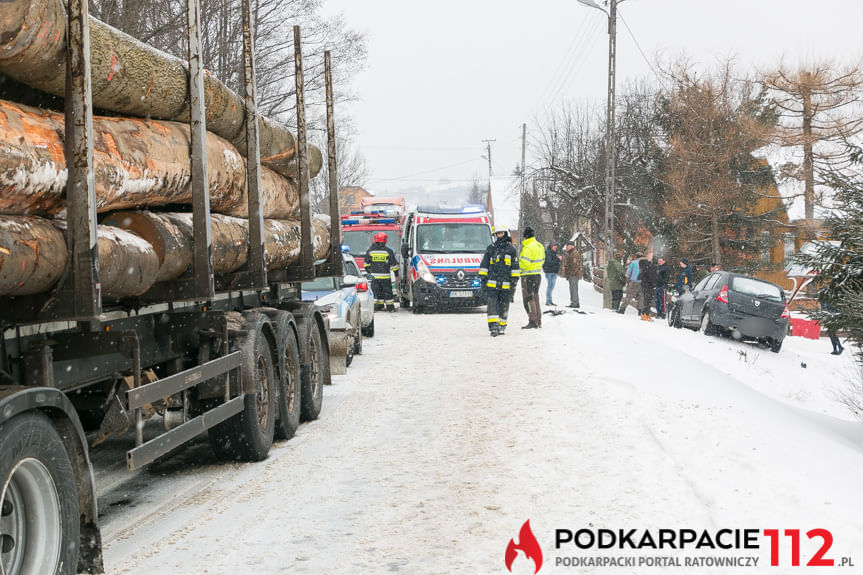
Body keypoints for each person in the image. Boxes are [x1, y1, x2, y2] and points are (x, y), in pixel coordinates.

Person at [478, 224, 520, 336]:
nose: (499, 235)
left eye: (501, 233)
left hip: (506, 286)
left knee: (504, 307)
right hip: (492, 285)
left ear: (505, 234)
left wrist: (514, 282)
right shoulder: (490, 249)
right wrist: (483, 279)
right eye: (498, 233)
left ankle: (502, 326)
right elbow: (484, 265)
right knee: (492, 306)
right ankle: (493, 327)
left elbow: (515, 268)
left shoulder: (511, 250)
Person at [364, 231, 399, 311]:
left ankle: (375, 308)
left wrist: (370, 272)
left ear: (375, 239)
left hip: (374, 278)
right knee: (387, 293)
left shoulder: (370, 251)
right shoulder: (388, 251)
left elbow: (366, 264)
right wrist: (396, 274)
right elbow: (394, 265)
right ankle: (390, 308)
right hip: (385, 278)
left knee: (376, 293)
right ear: (385, 241)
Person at [519, 226, 545, 328]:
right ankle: (538, 320)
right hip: (537, 275)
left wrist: (518, 264)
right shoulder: (539, 246)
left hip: (527, 275)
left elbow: (524, 263)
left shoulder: (527, 247)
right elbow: (542, 260)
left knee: (528, 299)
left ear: (525, 236)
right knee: (535, 298)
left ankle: (532, 321)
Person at [562, 240, 582, 308]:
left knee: (573, 289)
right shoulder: (571, 253)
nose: (566, 247)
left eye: (567, 246)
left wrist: (571, 273)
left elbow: (574, 265)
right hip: (572, 274)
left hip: (574, 274)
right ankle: (574, 302)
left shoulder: (574, 253)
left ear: (571, 246)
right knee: (573, 288)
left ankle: (575, 303)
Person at [638, 251, 657, 321]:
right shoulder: (648, 265)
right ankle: (644, 314)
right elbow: (651, 276)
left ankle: (647, 314)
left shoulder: (645, 264)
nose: (651, 256)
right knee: (647, 300)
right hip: (648, 285)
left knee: (648, 300)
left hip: (645, 284)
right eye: (650, 255)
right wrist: (654, 284)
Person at [542, 241, 561, 306]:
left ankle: (550, 301)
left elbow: (554, 262)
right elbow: (549, 263)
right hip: (550, 272)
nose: (556, 247)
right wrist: (558, 259)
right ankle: (548, 302)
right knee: (550, 287)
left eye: (556, 246)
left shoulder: (553, 253)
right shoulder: (548, 253)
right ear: (551, 246)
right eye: (554, 246)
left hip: (554, 272)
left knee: (551, 287)